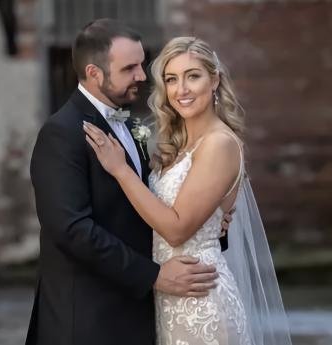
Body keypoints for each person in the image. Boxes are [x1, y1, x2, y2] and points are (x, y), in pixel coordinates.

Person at [27, 20, 232, 345]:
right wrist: (154, 276)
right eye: (129, 68)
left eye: (141, 63)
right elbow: (72, 230)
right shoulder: (63, 133)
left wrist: (212, 221)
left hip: (139, 311)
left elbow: (142, 207)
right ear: (95, 73)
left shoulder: (131, 124)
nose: (141, 75)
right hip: (88, 321)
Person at [83, 37, 292, 345]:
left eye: (193, 76)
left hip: (201, 302)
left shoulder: (219, 143)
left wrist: (120, 170)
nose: (181, 90)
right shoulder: (180, 146)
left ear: (215, 79)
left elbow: (177, 229)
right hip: (170, 295)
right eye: (171, 79)